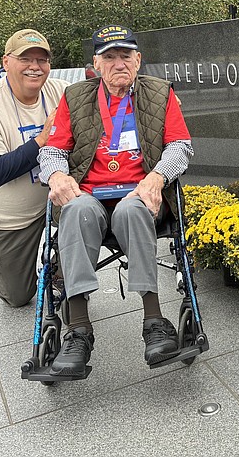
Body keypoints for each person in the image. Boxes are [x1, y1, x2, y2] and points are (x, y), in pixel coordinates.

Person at [39, 24, 193, 376]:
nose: (118, 62)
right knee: (74, 210)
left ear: (138, 60)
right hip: (89, 196)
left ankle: (153, 321)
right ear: (96, 63)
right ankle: (78, 329)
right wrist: (57, 175)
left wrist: (157, 177)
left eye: (125, 55)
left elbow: (180, 147)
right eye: (109, 56)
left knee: (133, 208)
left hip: (140, 194)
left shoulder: (160, 93)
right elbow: (52, 149)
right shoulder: (75, 97)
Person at [0, 29, 66, 307]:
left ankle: (59, 268)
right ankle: (3, 263)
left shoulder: (60, 91)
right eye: (26, 59)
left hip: (55, 201)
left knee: (88, 216)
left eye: (42, 60)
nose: (35, 67)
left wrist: (156, 94)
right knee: (18, 297)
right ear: (6, 62)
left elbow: (109, 89)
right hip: (8, 217)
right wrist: (42, 140)